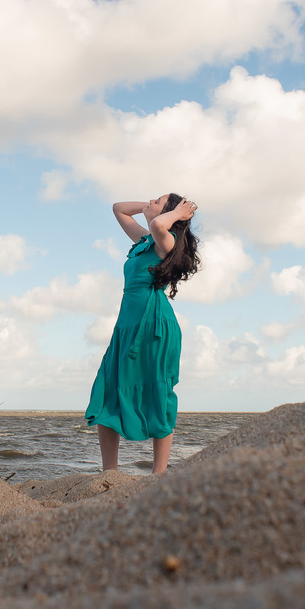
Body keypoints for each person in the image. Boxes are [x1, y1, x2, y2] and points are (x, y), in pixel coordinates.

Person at [85, 194, 201, 474]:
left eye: (158, 200)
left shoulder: (166, 241)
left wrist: (177, 215)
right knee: (108, 389)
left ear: (173, 215)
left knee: (158, 393)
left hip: (154, 325)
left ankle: (158, 474)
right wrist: (149, 208)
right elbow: (119, 209)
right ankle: (109, 474)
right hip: (127, 325)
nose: (151, 199)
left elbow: (161, 226)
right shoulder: (143, 241)